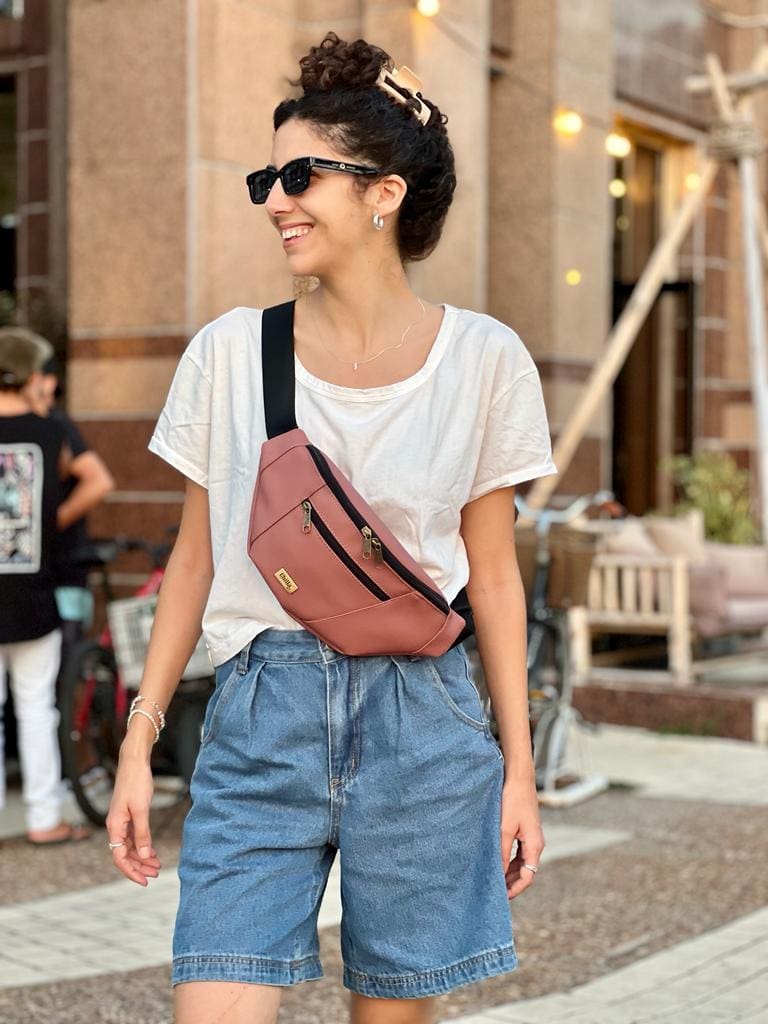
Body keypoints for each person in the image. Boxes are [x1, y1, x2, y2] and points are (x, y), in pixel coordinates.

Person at [107, 33, 558, 1024]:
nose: (275, 199)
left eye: (301, 175)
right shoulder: (230, 352)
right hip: (260, 715)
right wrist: (140, 740)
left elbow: (492, 577)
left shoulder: (485, 360)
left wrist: (520, 773)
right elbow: (194, 561)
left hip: (420, 720)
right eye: (267, 178)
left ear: (384, 192)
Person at [0, 327, 90, 845]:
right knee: (36, 707)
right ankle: (43, 819)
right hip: (32, 592)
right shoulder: (50, 432)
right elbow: (93, 478)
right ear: (31, 375)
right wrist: (49, 523)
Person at [24, 356, 115, 652]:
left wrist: (49, 523)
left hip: (63, 570)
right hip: (36, 578)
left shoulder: (54, 424)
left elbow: (99, 481)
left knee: (60, 665)